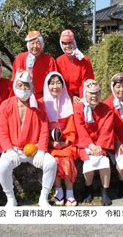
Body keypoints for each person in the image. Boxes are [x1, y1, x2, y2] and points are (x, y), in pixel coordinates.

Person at [0, 70, 57, 207]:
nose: (23, 89)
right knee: (3, 167)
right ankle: (10, 197)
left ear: (31, 87)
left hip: (34, 149)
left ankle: (43, 197)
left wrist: (41, 150)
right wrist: (9, 150)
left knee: (51, 163)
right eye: (20, 85)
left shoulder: (39, 106)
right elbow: (2, 131)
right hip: (13, 149)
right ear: (15, 86)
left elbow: (43, 129)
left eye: (26, 86)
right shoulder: (5, 105)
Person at [74, 79, 115, 206]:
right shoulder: (79, 108)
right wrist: (90, 145)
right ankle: (88, 190)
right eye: (91, 93)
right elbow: (79, 128)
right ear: (85, 93)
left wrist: (99, 146)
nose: (94, 96)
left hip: (100, 144)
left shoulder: (106, 109)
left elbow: (106, 130)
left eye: (97, 93)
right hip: (85, 144)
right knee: (88, 163)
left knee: (104, 162)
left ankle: (105, 192)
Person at [42, 72, 78, 206]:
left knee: (67, 159)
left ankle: (69, 191)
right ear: (47, 85)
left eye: (58, 83)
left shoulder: (68, 102)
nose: (55, 86)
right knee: (54, 160)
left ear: (63, 85)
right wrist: (51, 142)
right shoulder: (42, 104)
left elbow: (71, 127)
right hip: (49, 144)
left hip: (66, 142)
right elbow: (40, 127)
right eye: (51, 83)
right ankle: (58, 190)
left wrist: (65, 142)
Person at [11, 30, 57, 99]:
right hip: (22, 95)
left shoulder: (49, 60)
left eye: (38, 43)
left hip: (43, 96)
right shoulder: (20, 58)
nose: (35, 46)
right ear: (28, 45)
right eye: (32, 43)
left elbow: (54, 80)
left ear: (42, 45)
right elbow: (14, 79)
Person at [56, 29, 95, 104]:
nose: (67, 46)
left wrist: (81, 98)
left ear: (74, 43)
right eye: (64, 43)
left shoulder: (84, 60)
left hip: (83, 96)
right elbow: (59, 82)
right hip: (64, 95)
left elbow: (87, 81)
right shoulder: (59, 61)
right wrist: (71, 96)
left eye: (69, 43)